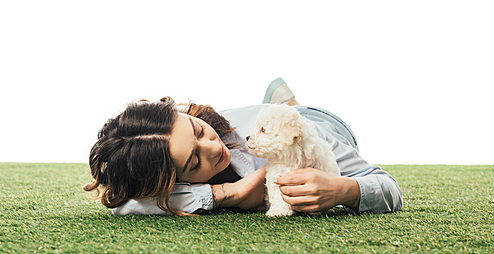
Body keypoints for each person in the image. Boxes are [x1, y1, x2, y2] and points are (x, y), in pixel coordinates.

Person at [84, 78, 403, 216]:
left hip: (322, 123)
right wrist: (229, 194)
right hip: (256, 122)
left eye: (199, 130)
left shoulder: (296, 138)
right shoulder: (161, 169)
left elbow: (388, 187)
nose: (212, 148)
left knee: (291, 113)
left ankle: (288, 102)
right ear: (170, 181)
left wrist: (345, 190)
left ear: (185, 113)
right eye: (195, 162)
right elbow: (127, 203)